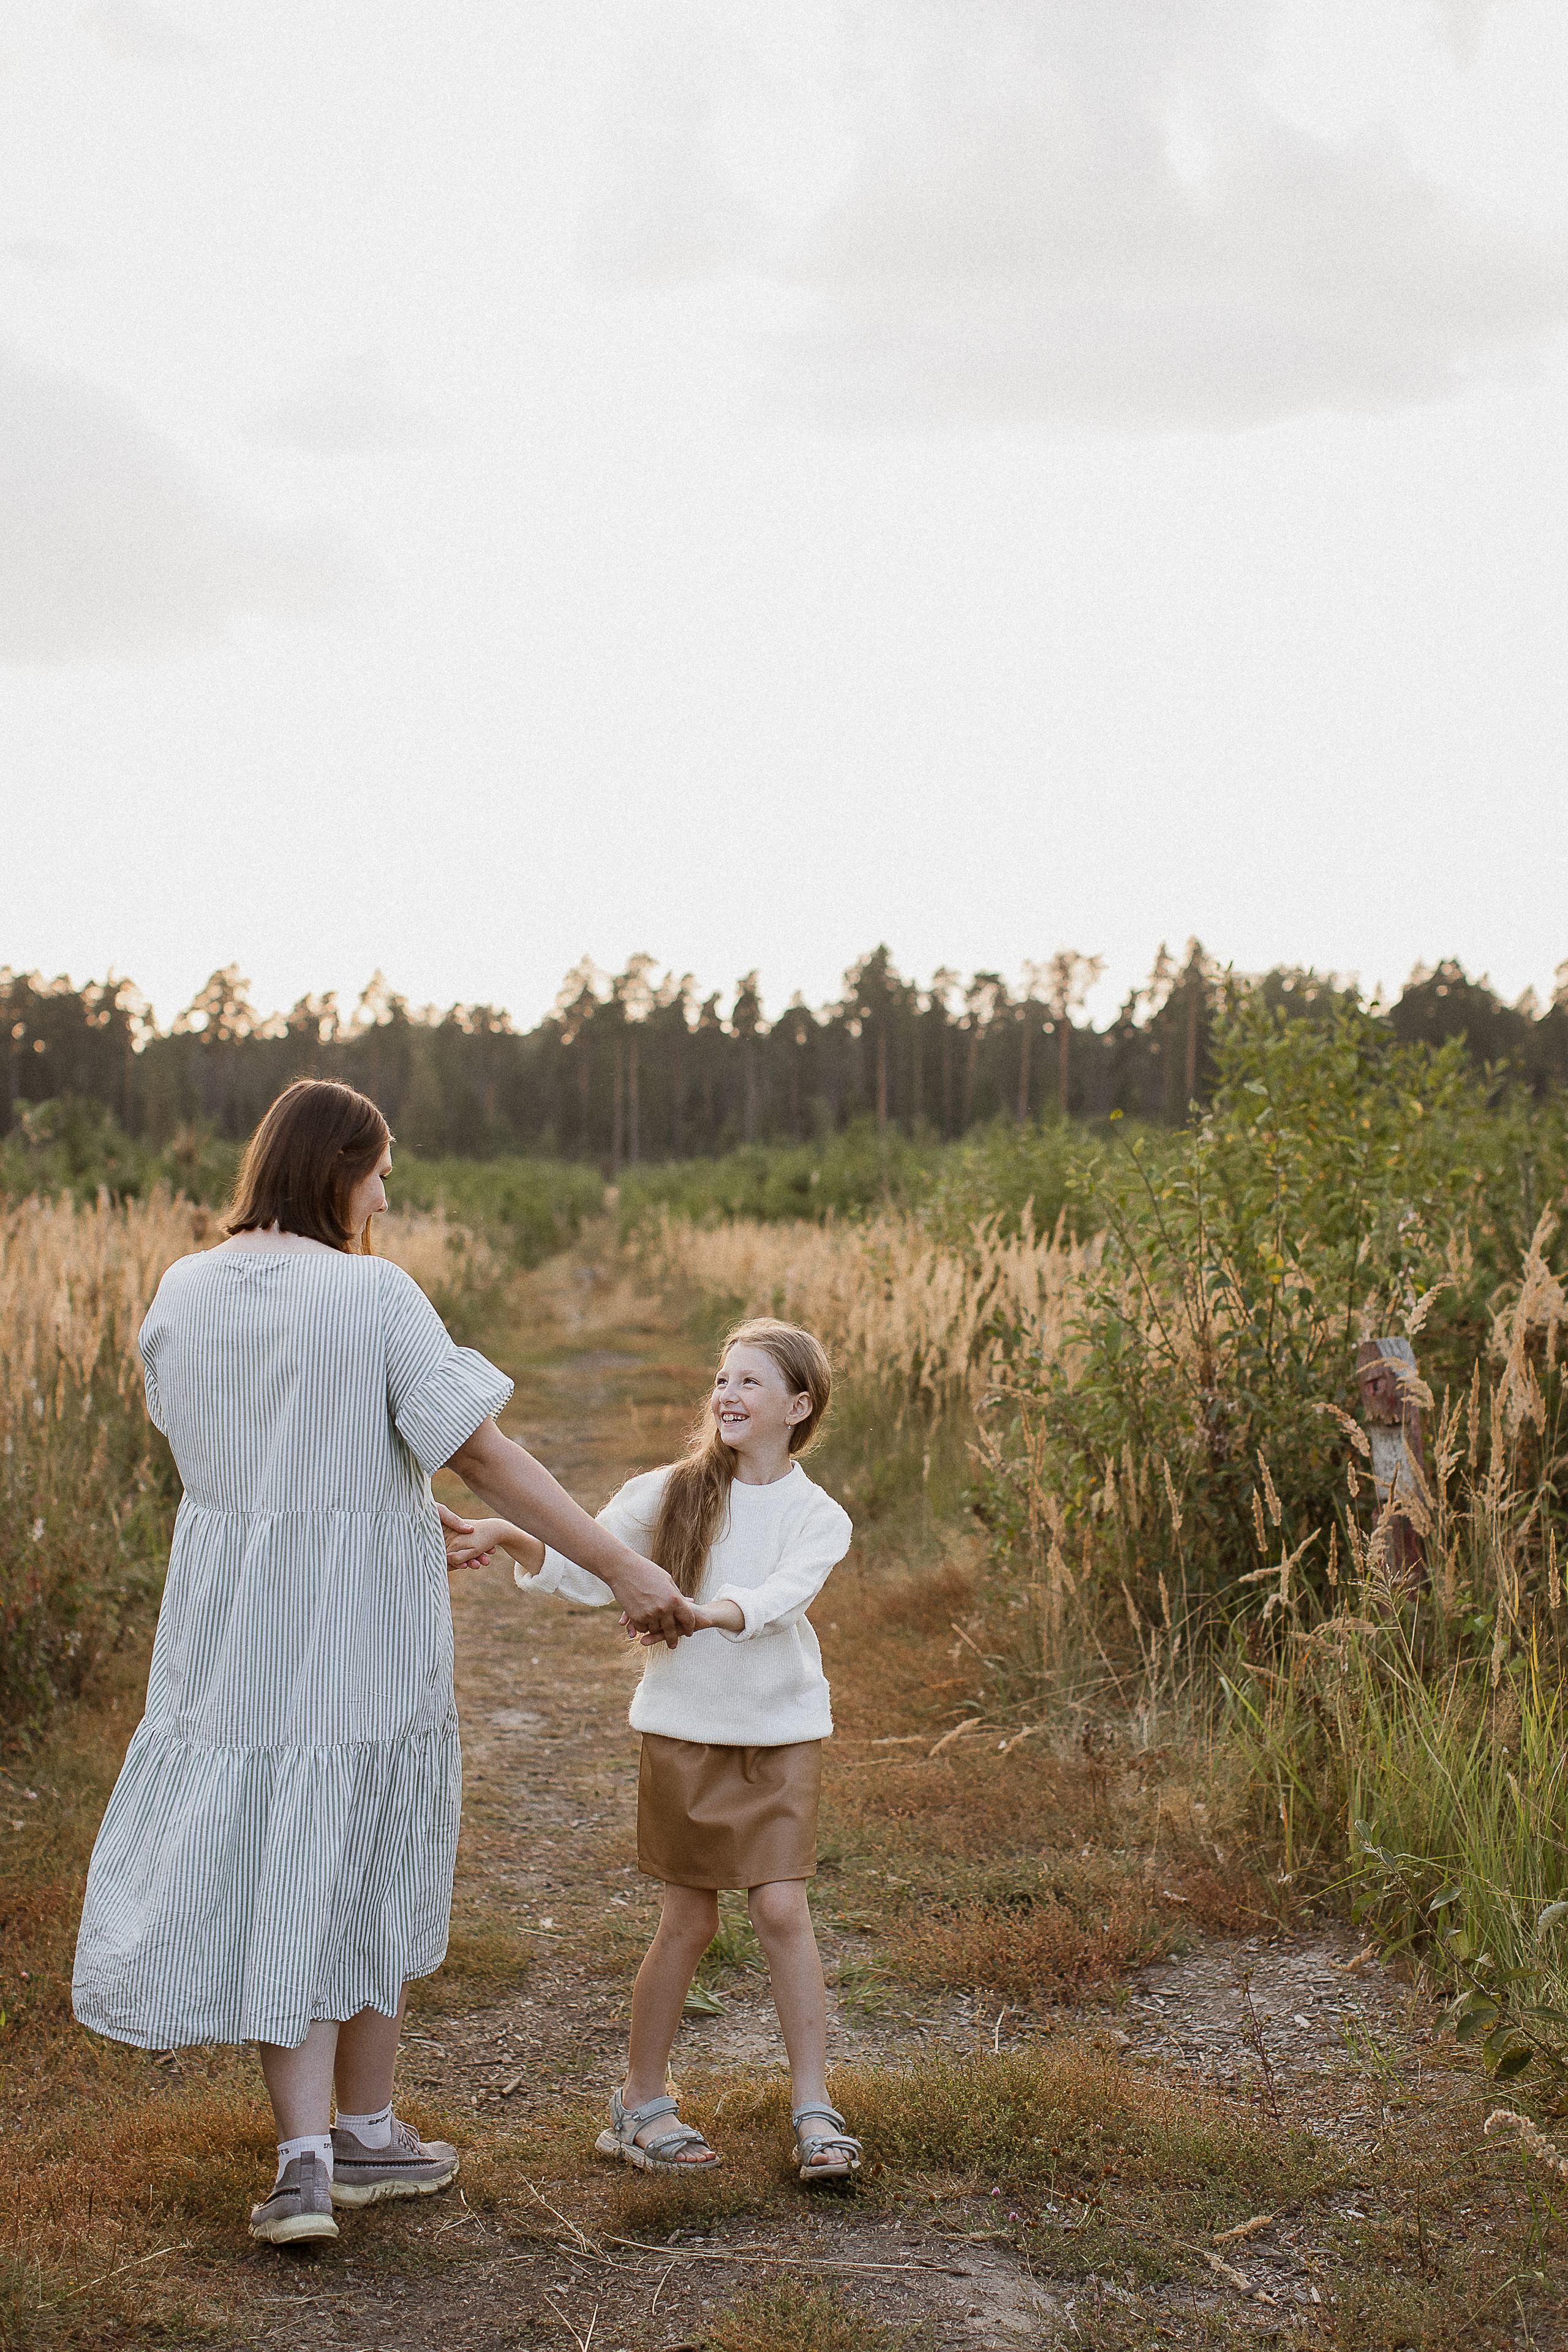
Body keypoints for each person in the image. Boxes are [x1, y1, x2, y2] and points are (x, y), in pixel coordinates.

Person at [71, 1079, 694, 2247]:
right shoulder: (373, 1294)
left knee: (280, 1846)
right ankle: (321, 2152)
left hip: (229, 1615)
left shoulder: (182, 1287)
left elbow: (211, 1437)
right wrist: (623, 1568)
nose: (387, 1196)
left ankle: (344, 2140)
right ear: (337, 1169)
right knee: (354, 1839)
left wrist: (365, 1495)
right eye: (381, 1172)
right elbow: (485, 1458)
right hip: (354, 1618)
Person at [448, 1317, 862, 2184]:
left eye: (750, 1382)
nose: (727, 1395)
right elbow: (588, 1566)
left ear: (799, 1406)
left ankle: (814, 2105)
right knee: (690, 1919)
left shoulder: (819, 1517)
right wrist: (509, 1534)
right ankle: (640, 2102)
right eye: (723, 1379)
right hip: (684, 1735)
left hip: (780, 1736)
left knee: (782, 1911)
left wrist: (706, 1613)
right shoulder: (669, 1491)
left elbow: (781, 1598)